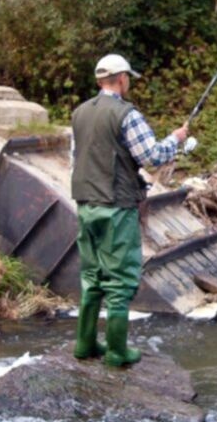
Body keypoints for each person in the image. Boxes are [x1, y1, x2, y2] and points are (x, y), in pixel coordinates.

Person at [70, 53, 196, 367]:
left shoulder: (79, 113)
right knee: (121, 279)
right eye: (128, 79)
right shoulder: (128, 114)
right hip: (116, 206)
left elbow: (81, 157)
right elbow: (151, 157)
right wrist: (175, 139)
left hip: (86, 205)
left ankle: (85, 344)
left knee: (92, 276)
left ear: (100, 81)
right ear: (122, 79)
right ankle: (116, 351)